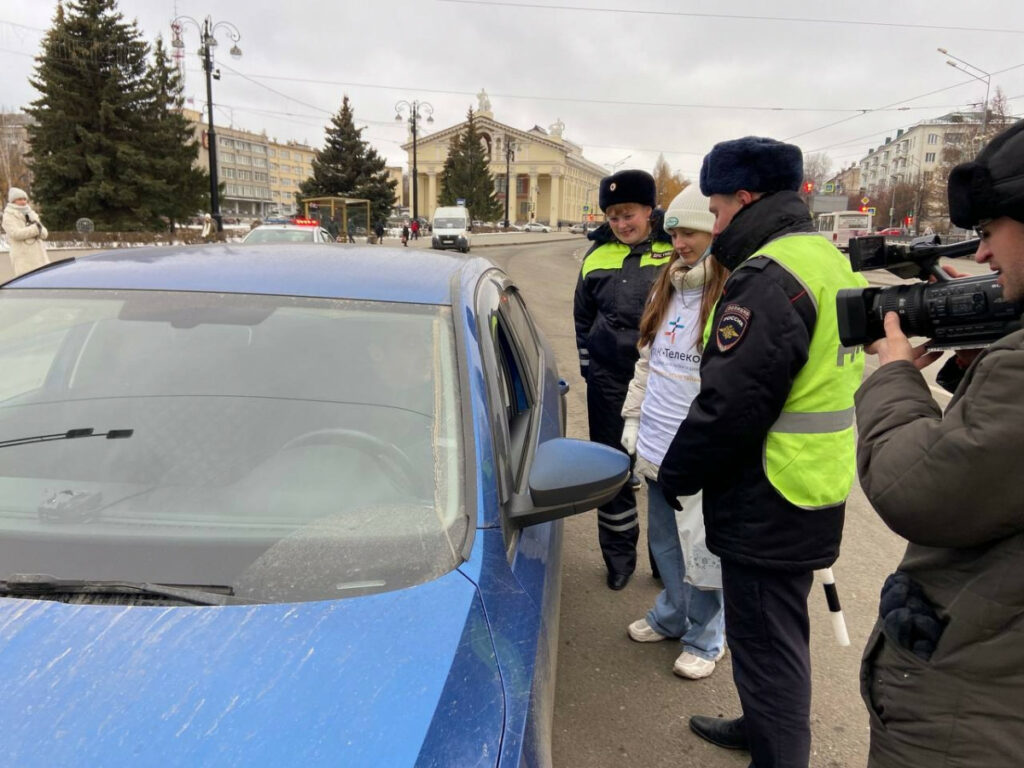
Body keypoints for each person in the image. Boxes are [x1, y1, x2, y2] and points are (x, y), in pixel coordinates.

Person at [655, 137, 868, 766]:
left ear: (745, 200)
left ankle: (778, 750)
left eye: (717, 211)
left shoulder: (768, 279)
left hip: (767, 491)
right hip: (810, 481)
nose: (714, 225)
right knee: (770, 629)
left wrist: (677, 474)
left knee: (768, 638)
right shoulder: (825, 259)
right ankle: (760, 723)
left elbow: (729, 407)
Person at [856, 119, 1024, 766]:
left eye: (988, 234)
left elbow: (920, 487)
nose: (981, 257)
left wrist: (896, 373)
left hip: (974, 718)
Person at [620, 184, 729, 678]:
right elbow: (649, 360)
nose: (679, 242)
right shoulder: (670, 282)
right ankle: (671, 614)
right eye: (674, 233)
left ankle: (707, 638)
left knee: (702, 552)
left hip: (701, 450)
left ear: (713, 231)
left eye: (689, 232)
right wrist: (633, 418)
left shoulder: (729, 291)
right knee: (665, 543)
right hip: (658, 442)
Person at [573, 169, 673, 590]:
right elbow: (582, 319)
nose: (620, 223)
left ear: (649, 211)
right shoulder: (596, 257)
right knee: (613, 471)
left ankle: (666, 563)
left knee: (664, 473)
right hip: (609, 382)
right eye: (613, 215)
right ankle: (618, 558)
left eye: (627, 213)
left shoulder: (675, 250)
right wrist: (590, 369)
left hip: (666, 385)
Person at [2, 187, 49, 278]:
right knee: (28, 284)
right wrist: (35, 229)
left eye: (24, 199)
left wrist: (39, 229)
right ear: (13, 201)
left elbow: (44, 233)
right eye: (19, 199)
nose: (23, 202)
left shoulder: (31, 213)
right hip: (23, 258)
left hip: (40, 257)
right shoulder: (8, 216)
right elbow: (15, 234)